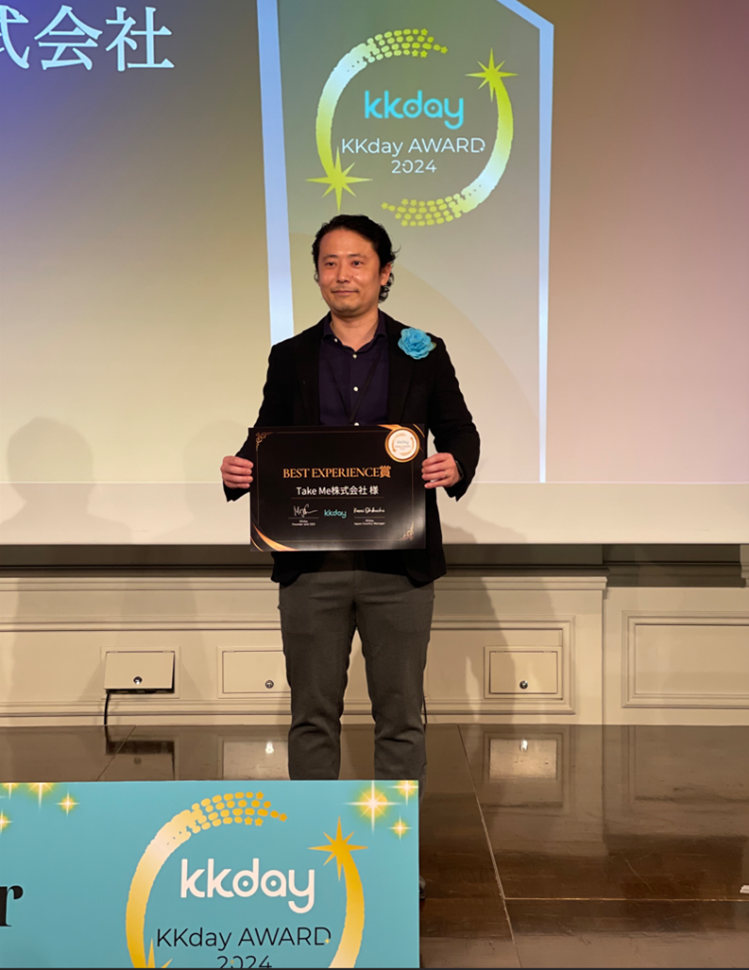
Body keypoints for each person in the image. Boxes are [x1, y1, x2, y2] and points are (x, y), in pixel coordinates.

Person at [221, 214, 479, 801]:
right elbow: (268, 435)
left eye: (357, 262)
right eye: (330, 263)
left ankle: (394, 845)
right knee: (312, 716)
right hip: (312, 562)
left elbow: (460, 431)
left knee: (401, 715)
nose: (343, 274)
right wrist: (241, 469)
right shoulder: (290, 356)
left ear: (384, 273)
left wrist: (456, 464)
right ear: (317, 275)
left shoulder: (424, 351)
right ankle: (313, 845)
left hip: (400, 563)